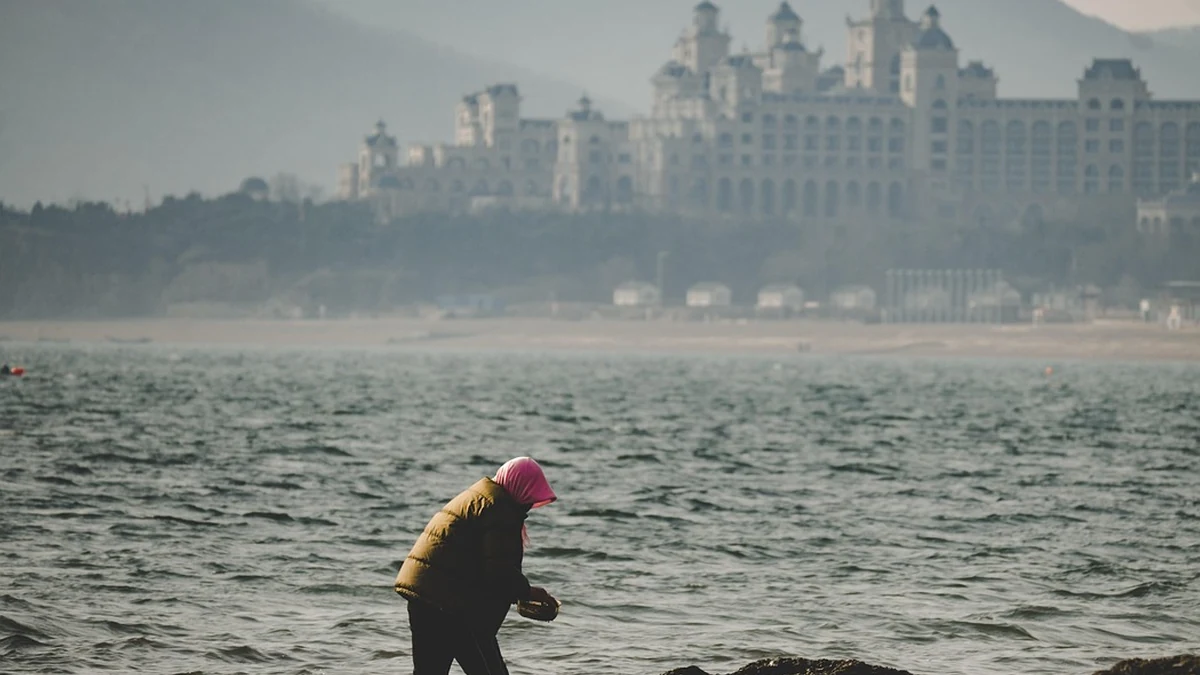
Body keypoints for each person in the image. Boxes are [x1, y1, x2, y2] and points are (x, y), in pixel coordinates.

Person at [394, 456, 559, 675]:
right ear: (519, 489)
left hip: (424, 595)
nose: (529, 506)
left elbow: (480, 564)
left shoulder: (479, 497)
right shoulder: (500, 510)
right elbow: (498, 572)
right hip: (451, 605)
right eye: (529, 498)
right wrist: (530, 592)